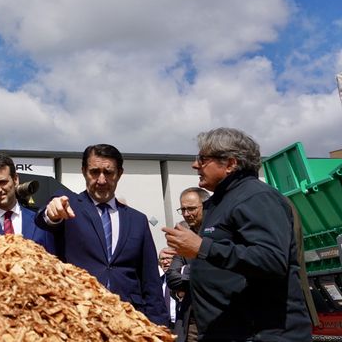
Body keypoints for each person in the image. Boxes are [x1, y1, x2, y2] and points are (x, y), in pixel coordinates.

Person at [163, 127, 312, 341]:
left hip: (261, 334)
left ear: (231, 164)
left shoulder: (256, 197)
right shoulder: (218, 202)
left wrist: (202, 248)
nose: (195, 165)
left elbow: (272, 259)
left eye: (203, 159)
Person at [35, 144, 168, 325]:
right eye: (94, 172)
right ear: (83, 171)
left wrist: (159, 326)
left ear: (120, 174)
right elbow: (45, 219)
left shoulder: (138, 220)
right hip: (79, 319)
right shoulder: (68, 205)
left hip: (129, 322)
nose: (102, 180)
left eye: (109, 173)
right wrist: (52, 214)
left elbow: (151, 281)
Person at [165, 187, 210, 342]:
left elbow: (221, 271)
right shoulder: (184, 240)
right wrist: (201, 270)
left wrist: (186, 270)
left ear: (206, 206)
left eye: (191, 209)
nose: (186, 214)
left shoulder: (218, 233)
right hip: (191, 321)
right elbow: (172, 278)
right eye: (182, 209)